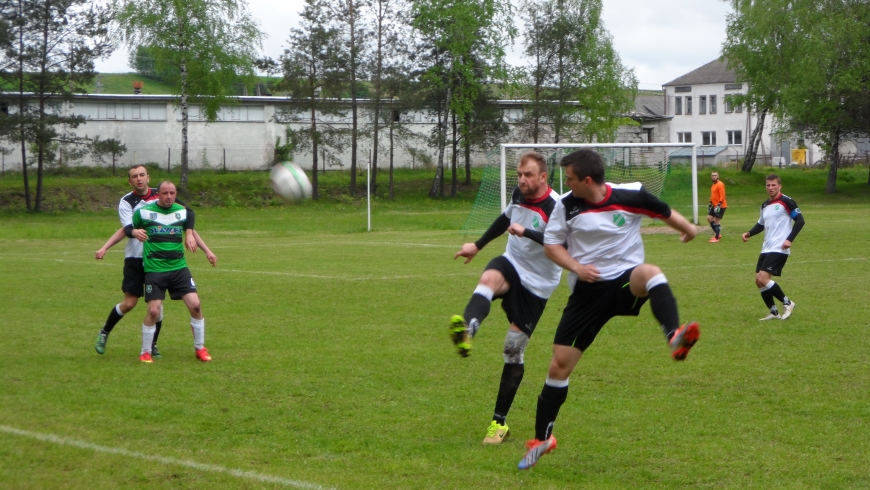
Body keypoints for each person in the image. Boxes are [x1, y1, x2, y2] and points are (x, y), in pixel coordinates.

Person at [517, 149, 700, 470]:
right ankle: (542, 439)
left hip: (622, 283)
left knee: (651, 273)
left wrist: (689, 229)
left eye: (571, 179)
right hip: (586, 293)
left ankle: (675, 335)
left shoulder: (630, 196)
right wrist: (577, 266)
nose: (567, 185)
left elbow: (664, 211)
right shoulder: (567, 206)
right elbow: (551, 245)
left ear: (587, 180)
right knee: (559, 366)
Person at [451, 152, 563, 445]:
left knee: (512, 350)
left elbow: (561, 245)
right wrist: (477, 245)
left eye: (528, 175)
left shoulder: (557, 207)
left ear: (543, 177)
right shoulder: (518, 194)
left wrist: (527, 232)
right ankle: (468, 330)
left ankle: (498, 423)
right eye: (519, 175)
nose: (522, 180)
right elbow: (505, 219)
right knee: (487, 280)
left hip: (538, 284)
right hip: (512, 262)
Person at [94, 165, 216, 357]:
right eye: (134, 176)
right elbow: (127, 229)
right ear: (130, 181)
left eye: (142, 175)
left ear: (148, 178)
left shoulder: (161, 194)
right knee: (130, 303)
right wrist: (109, 245)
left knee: (156, 307)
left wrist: (194, 237)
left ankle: (153, 345)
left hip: (161, 261)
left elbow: (188, 213)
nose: (139, 179)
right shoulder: (127, 201)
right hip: (136, 258)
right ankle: (104, 332)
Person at [133, 181, 212, 363]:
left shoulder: (181, 211)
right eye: (165, 193)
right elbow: (131, 228)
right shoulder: (144, 212)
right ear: (158, 194)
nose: (169, 196)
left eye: (172, 193)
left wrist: (206, 250)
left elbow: (191, 220)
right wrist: (136, 231)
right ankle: (145, 351)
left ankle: (200, 348)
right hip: (154, 269)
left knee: (196, 305)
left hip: (179, 268)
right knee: (154, 311)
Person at [742, 174, 804, 321]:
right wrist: (749, 233)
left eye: (773, 185)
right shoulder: (764, 205)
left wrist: (789, 240)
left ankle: (787, 303)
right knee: (759, 280)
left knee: (763, 278)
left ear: (779, 186)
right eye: (768, 185)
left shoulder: (787, 202)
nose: (770, 188)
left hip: (779, 247)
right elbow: (761, 224)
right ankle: (774, 312)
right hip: (766, 247)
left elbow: (800, 221)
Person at [707, 171, 727, 242]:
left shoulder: (720, 184)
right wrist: (710, 202)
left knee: (716, 221)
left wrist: (719, 204)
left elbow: (722, 195)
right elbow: (713, 195)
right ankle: (717, 234)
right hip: (714, 205)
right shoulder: (713, 185)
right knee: (709, 218)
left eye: (715, 175)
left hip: (721, 206)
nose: (714, 177)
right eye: (713, 175)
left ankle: (716, 238)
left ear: (718, 176)